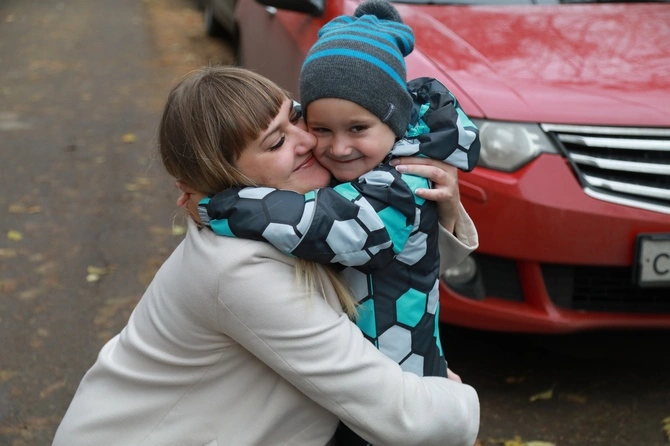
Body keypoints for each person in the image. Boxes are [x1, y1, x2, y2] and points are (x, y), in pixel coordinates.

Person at [53, 66, 479, 446]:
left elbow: (383, 273)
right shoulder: (239, 268)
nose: (309, 140)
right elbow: (402, 415)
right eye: (277, 141)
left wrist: (436, 207)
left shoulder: (298, 214)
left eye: (296, 117)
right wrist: (457, 397)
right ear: (228, 177)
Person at [197, 0, 478, 388]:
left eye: (358, 129)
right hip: (353, 371)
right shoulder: (371, 156)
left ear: (395, 120)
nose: (340, 148)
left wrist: (219, 203)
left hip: (399, 375)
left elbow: (322, 224)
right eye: (322, 129)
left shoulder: (403, 181)